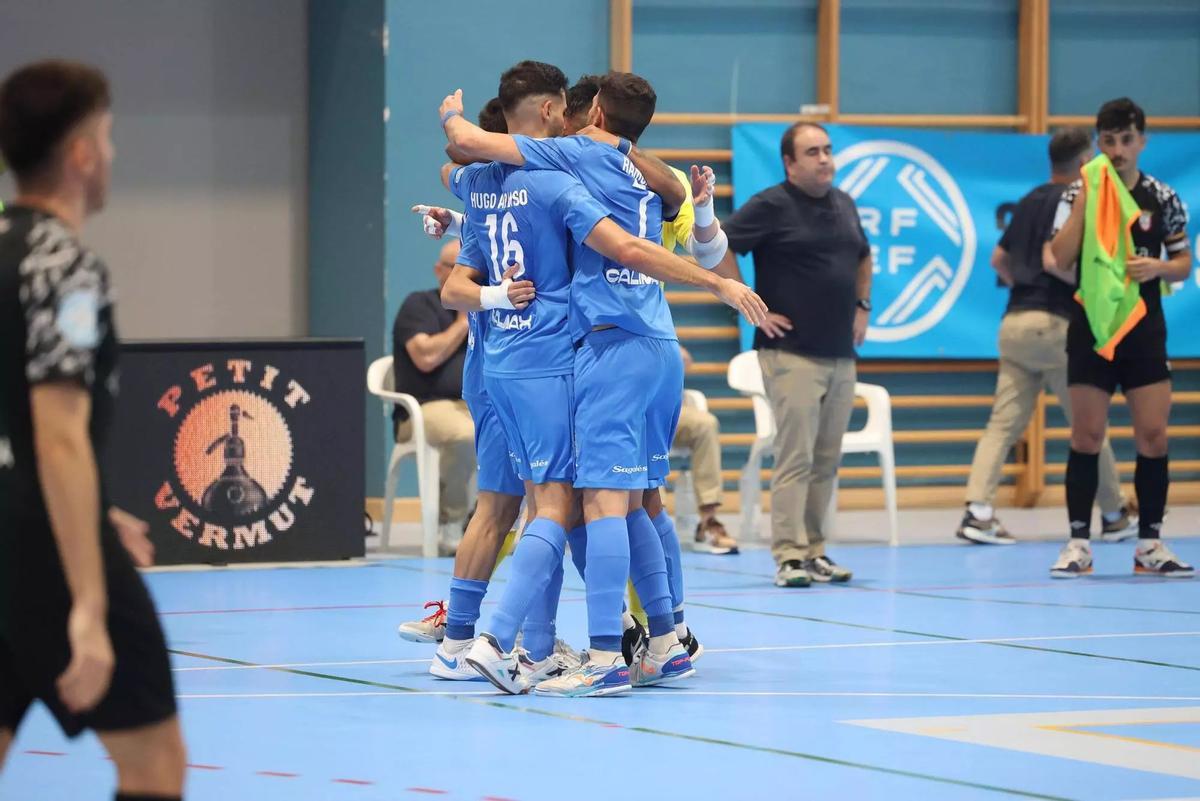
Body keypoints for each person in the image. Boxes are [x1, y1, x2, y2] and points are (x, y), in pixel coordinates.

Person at [439, 68, 766, 697]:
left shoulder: (565, 162)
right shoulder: (643, 171)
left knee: (581, 505)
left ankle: (574, 651)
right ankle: (665, 638)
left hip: (596, 349)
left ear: (584, 111)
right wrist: (709, 247)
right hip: (656, 342)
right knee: (641, 498)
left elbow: (465, 154)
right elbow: (678, 213)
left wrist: (451, 117)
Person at [0, 59, 187, 799]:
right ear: (80, 153)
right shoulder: (67, 268)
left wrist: (98, 505)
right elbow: (57, 435)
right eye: (105, 139)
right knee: (153, 765)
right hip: (42, 550)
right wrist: (88, 603)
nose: (110, 156)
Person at [957, 128, 1137, 545]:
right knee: (1089, 426)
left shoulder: (1029, 201)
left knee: (1002, 424)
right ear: (1082, 165)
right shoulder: (1078, 200)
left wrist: (1025, 285)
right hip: (1057, 324)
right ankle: (1113, 514)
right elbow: (1057, 262)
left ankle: (977, 511)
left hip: (1016, 322)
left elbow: (999, 260)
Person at [715, 122, 869, 588]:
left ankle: (816, 549)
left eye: (827, 150)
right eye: (812, 152)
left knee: (827, 459)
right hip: (790, 353)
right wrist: (750, 306)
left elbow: (863, 256)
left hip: (840, 353)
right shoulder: (771, 204)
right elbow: (717, 243)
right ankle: (789, 555)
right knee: (795, 456)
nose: (824, 159)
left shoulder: (844, 203)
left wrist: (862, 305)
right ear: (790, 162)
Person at [1048, 97, 1193, 578]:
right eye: (1108, 141)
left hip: (1144, 330)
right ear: (1098, 144)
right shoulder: (1078, 193)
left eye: (1126, 140)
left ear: (1142, 141)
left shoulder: (1164, 197)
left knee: (1152, 436)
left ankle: (1149, 544)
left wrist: (1158, 267)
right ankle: (1077, 544)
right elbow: (1060, 258)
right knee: (1087, 436)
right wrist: (1087, 205)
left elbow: (1183, 263)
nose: (1117, 150)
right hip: (1092, 327)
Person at [391, 238, 476, 553]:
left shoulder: (489, 305)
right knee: (464, 434)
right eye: (454, 267)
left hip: (475, 403)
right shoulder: (419, 305)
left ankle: (491, 519)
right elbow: (425, 358)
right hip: (426, 407)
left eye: (468, 266)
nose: (462, 273)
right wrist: (463, 322)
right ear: (438, 271)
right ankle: (451, 520)